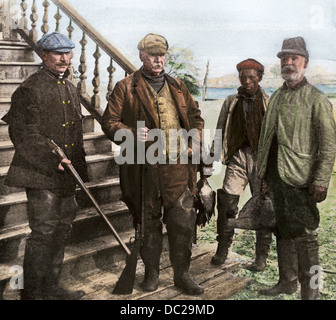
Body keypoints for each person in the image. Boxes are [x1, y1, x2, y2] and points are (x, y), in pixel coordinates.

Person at [101, 33, 205, 295]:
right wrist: (131, 133)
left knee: (182, 223)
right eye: (152, 54)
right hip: (143, 169)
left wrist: (194, 142)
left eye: (162, 54)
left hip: (178, 168)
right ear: (142, 57)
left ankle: (182, 275)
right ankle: (151, 275)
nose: (158, 59)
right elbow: (109, 123)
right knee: (148, 224)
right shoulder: (126, 87)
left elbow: (196, 118)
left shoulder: (178, 87)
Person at [2, 32, 88, 300]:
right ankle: (31, 293)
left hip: (67, 175)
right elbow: (23, 134)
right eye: (57, 53)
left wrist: (78, 172)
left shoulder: (70, 87)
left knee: (62, 230)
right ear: (43, 56)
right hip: (40, 174)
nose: (64, 58)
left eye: (67, 52)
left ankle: (51, 288)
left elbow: (75, 134)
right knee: (43, 234)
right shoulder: (29, 89)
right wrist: (53, 158)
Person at [257, 36, 336, 300]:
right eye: (284, 58)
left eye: (294, 58)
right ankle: (287, 282)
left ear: (305, 62)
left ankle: (310, 293)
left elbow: (328, 146)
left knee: (307, 238)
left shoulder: (317, 100)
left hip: (302, 180)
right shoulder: (277, 96)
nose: (288, 63)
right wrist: (265, 177)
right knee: (282, 229)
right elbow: (268, 139)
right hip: (277, 178)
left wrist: (321, 180)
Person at [210, 58, 272, 271]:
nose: (247, 82)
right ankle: (222, 250)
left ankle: (261, 258)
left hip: (261, 160)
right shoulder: (231, 101)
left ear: (259, 78)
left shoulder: (269, 101)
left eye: (252, 78)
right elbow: (219, 131)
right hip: (237, 157)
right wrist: (212, 156)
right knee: (227, 202)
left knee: (264, 206)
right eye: (243, 77)